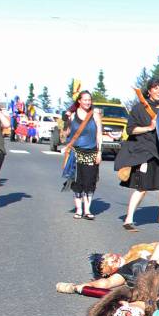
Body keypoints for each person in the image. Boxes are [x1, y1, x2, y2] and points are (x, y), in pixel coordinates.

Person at [116, 79, 159, 231]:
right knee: (142, 187)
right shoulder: (139, 109)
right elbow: (130, 130)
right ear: (149, 91)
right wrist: (149, 127)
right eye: (156, 88)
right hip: (146, 152)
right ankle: (128, 220)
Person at [62, 90, 102, 220]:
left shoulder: (95, 115)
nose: (87, 102)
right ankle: (79, 210)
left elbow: (99, 134)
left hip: (91, 152)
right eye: (85, 100)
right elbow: (66, 134)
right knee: (78, 182)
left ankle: (87, 210)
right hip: (76, 152)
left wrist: (99, 151)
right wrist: (65, 120)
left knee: (89, 182)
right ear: (79, 101)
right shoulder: (73, 115)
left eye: (89, 100)